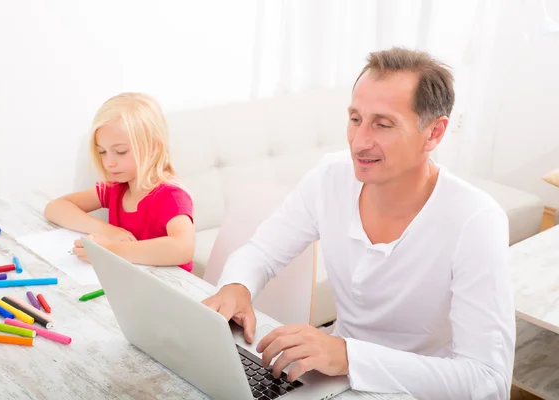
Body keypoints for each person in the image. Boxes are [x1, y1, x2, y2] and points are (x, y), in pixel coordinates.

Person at [202, 48, 515, 399]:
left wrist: (350, 357)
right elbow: (261, 251)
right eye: (355, 119)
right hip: (333, 380)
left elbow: (488, 380)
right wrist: (236, 286)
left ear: (434, 133)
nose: (359, 142)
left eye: (382, 124)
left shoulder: (476, 220)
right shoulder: (331, 177)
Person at [44, 92, 195, 272]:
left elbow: (183, 248)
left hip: (171, 289)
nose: (109, 163)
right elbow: (55, 208)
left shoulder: (171, 196)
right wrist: (107, 231)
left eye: (121, 152)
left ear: (154, 147)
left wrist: (108, 250)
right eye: (102, 152)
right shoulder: (115, 187)